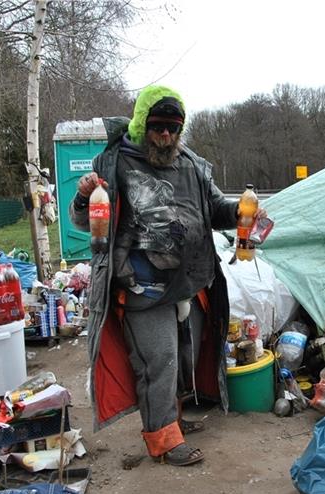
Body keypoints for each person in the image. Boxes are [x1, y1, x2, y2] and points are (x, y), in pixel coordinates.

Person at [70, 85, 265, 466]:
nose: (166, 135)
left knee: (183, 357)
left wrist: (243, 213)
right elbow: (85, 220)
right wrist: (83, 196)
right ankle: (162, 440)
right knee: (158, 360)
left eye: (174, 128)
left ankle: (172, 419)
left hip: (189, 282)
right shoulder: (113, 163)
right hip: (140, 284)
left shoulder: (191, 164)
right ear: (144, 124)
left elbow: (215, 208)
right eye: (159, 127)